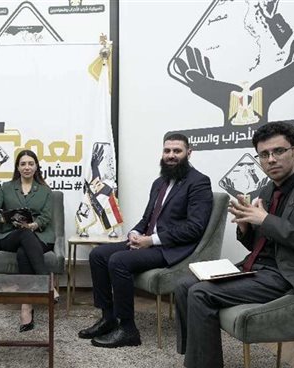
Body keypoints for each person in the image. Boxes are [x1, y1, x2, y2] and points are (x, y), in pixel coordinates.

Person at [163, 121, 294, 368]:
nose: (271, 159)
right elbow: (258, 244)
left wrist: (266, 220)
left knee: (201, 292)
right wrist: (246, 227)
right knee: (185, 283)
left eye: (278, 151)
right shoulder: (267, 189)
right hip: (257, 267)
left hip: (287, 275)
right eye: (264, 154)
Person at [78, 133, 213, 348]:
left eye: (177, 151)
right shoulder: (159, 182)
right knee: (98, 255)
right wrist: (134, 232)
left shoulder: (199, 182)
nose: (171, 155)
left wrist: (151, 240)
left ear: (189, 153)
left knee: (118, 261)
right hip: (148, 242)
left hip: (171, 248)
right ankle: (108, 317)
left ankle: (128, 329)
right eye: (167, 151)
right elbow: (147, 219)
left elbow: (194, 228)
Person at [0, 149, 55, 332]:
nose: (27, 167)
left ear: (36, 166)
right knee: (23, 234)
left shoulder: (45, 190)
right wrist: (5, 218)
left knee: (24, 252)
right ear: (17, 167)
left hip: (39, 236)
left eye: (31, 163)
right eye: (23, 164)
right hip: (11, 236)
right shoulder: (6, 188)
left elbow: (46, 217)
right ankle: (47, 283)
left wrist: (34, 225)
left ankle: (26, 306)